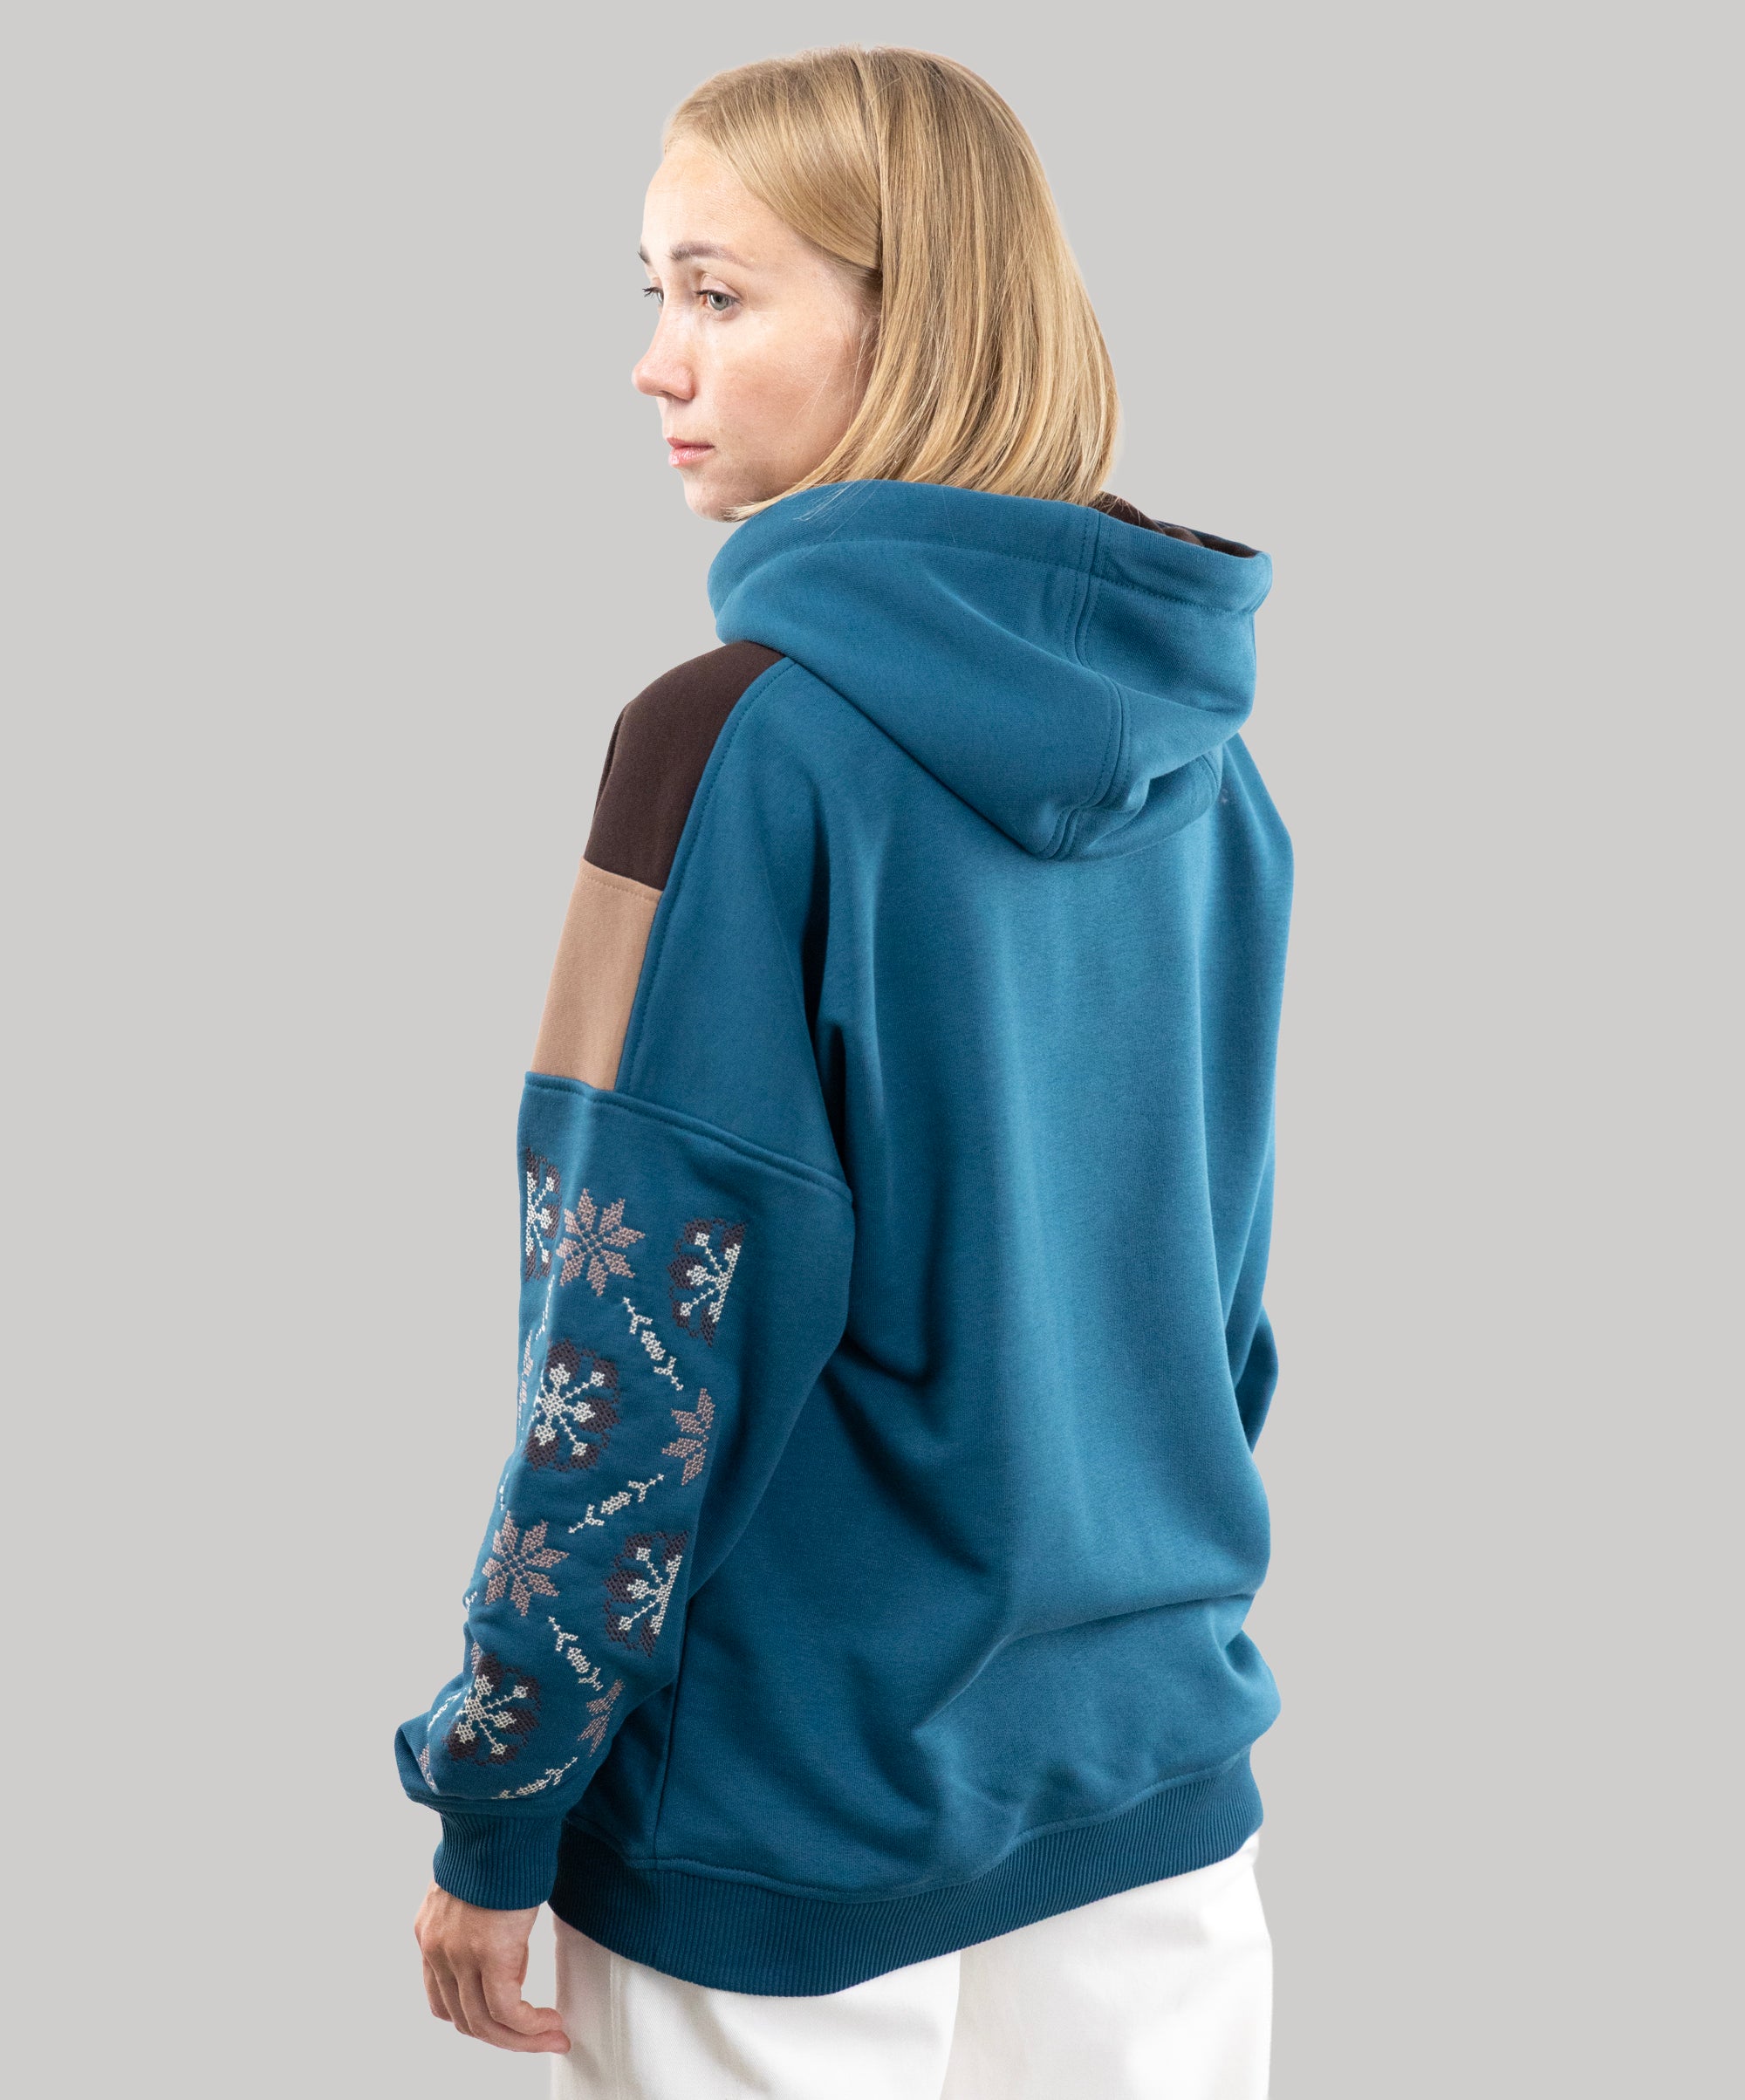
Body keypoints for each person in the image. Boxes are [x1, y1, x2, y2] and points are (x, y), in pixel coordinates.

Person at [397, 44, 1291, 2100]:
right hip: (1155, 1776)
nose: (655, 362)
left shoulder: (729, 747)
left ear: (918, 320)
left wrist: (500, 1787)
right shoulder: (1211, 769)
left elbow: (632, 1341)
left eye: (718, 295)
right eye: (653, 293)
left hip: (779, 1823)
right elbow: (1216, 1313)